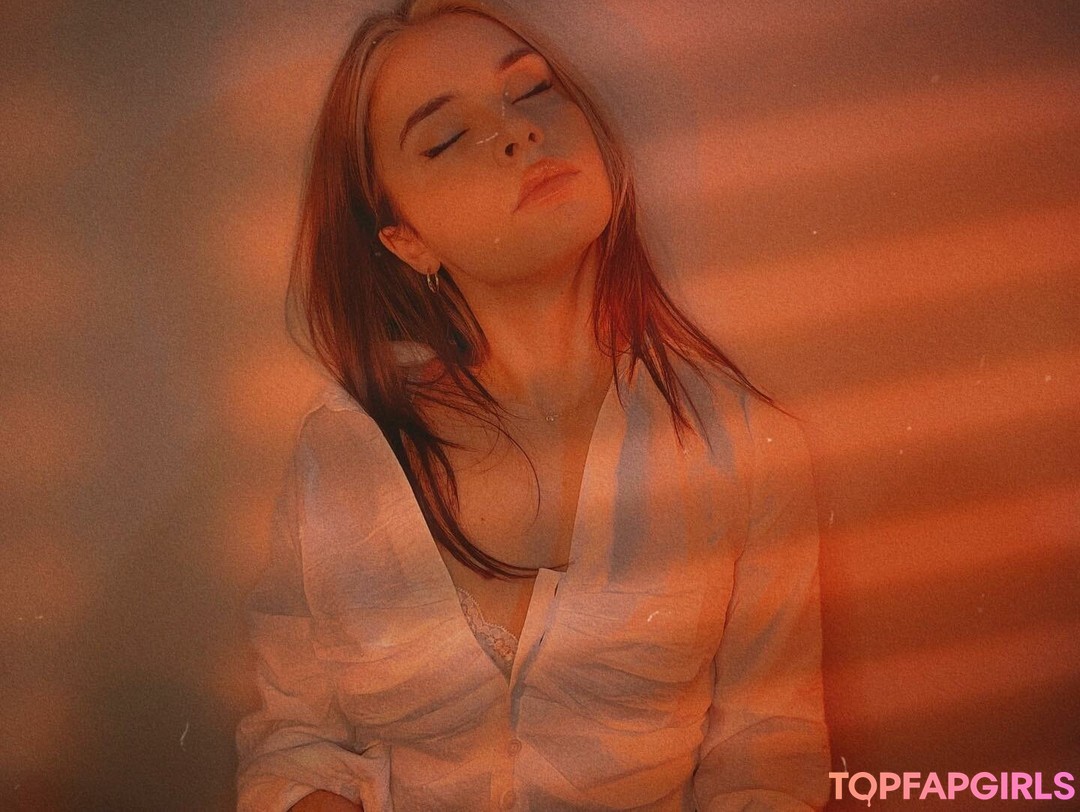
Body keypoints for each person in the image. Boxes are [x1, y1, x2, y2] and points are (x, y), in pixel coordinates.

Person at [235, 0, 830, 809]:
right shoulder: (340, 455)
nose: (519, 133)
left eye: (534, 91)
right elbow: (298, 743)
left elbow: (768, 754)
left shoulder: (747, 447)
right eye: (447, 137)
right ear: (405, 238)